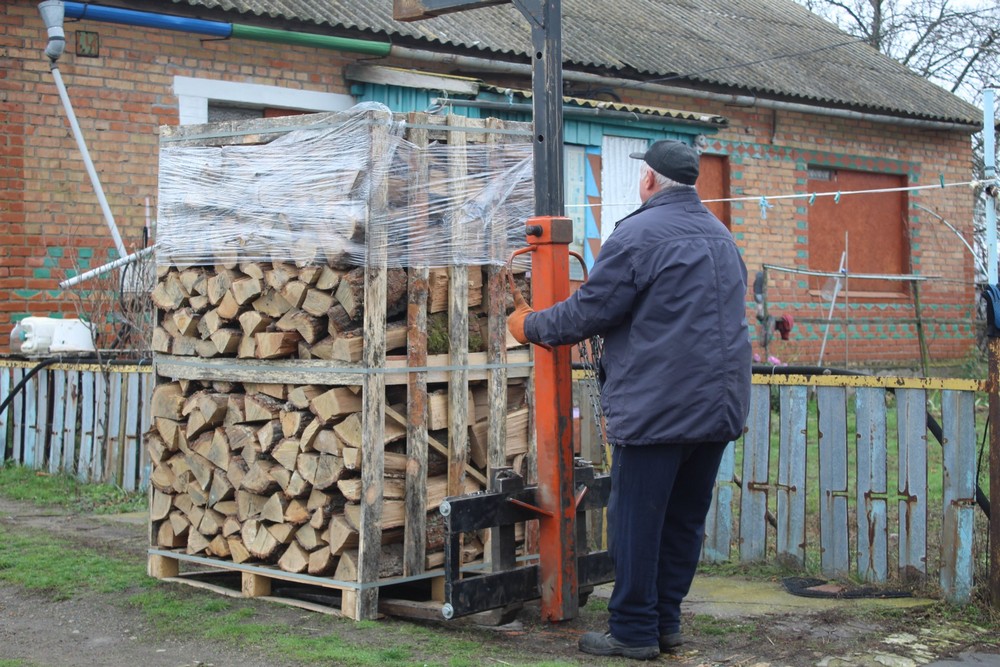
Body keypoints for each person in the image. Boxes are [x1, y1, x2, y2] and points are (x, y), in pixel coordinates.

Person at [507, 139, 752, 660]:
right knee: (684, 518)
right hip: (719, 408)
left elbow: (587, 314)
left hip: (659, 409)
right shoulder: (722, 237)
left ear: (648, 181)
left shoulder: (637, 235)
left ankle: (634, 631)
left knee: (637, 521)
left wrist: (530, 325)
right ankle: (666, 623)